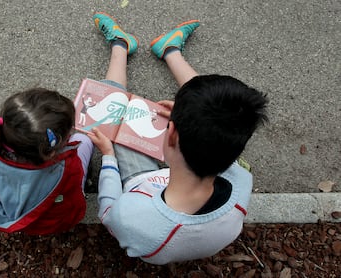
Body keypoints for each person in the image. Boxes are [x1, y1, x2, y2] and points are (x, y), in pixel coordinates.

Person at [88, 12, 269, 264]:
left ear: (170, 133)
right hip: (178, 183)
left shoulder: (133, 217)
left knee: (114, 110)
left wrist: (108, 158)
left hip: (141, 188)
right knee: (216, 109)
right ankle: (169, 49)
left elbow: (108, 211)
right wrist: (188, 117)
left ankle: (121, 46)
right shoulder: (240, 182)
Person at [0, 88, 94, 235]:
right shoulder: (66, 169)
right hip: (52, 223)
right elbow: (73, 196)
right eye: (68, 132)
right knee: (84, 140)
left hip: (18, 218)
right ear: (49, 152)